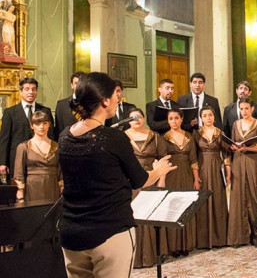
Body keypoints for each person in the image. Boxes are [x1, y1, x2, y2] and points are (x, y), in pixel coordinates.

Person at [57, 72, 175, 278]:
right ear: (104, 101)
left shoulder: (65, 136)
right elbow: (140, 180)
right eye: (115, 95)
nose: (118, 99)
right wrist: (159, 170)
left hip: (72, 232)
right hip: (109, 231)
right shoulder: (112, 137)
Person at [124, 108, 167, 268]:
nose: (136, 119)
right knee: (133, 216)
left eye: (139, 116)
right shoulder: (122, 137)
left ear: (144, 119)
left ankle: (151, 255)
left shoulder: (154, 136)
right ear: (128, 120)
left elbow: (163, 158)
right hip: (130, 182)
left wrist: (161, 179)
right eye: (132, 117)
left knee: (151, 215)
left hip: (151, 179)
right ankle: (134, 257)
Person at [158, 108, 199, 257]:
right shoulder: (163, 138)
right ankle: (174, 246)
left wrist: (196, 179)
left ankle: (186, 244)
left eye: (176, 118)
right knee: (173, 209)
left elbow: (194, 160)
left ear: (182, 119)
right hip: (171, 175)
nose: (174, 121)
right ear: (167, 121)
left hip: (187, 175)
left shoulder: (190, 136)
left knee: (186, 208)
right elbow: (163, 159)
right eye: (171, 119)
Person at [227, 97, 257, 247]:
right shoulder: (236, 124)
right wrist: (234, 147)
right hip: (238, 161)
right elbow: (233, 143)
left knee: (253, 196)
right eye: (241, 109)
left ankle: (254, 234)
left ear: (252, 109)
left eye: (246, 108)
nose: (244, 111)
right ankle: (239, 236)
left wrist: (246, 148)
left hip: (252, 161)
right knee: (238, 197)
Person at [0, 77, 54, 180]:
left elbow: (51, 136)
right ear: (20, 92)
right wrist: (2, 162)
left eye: (33, 89)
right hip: (16, 159)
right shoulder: (10, 112)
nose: (30, 92)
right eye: (27, 89)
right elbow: (4, 139)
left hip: (41, 159)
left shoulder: (45, 111)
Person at [193, 106, 229, 248]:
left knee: (218, 200)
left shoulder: (220, 133)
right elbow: (193, 156)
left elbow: (226, 153)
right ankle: (203, 240)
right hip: (202, 168)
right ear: (201, 118)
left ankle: (219, 238)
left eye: (210, 115)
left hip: (216, 168)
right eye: (205, 115)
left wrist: (228, 171)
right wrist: (195, 176)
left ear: (214, 117)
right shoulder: (196, 134)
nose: (208, 118)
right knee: (203, 202)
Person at [13, 111, 62, 202]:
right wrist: (20, 195)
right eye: (37, 123)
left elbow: (61, 171)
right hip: (32, 188)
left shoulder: (57, 147)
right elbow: (18, 173)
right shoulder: (24, 147)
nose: (41, 127)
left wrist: (62, 190)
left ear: (49, 125)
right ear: (32, 126)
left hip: (52, 188)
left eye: (45, 123)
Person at [55, 72, 84, 140]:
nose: (79, 86)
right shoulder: (61, 105)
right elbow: (59, 130)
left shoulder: (92, 104)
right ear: (72, 85)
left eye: (81, 83)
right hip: (68, 144)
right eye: (76, 83)